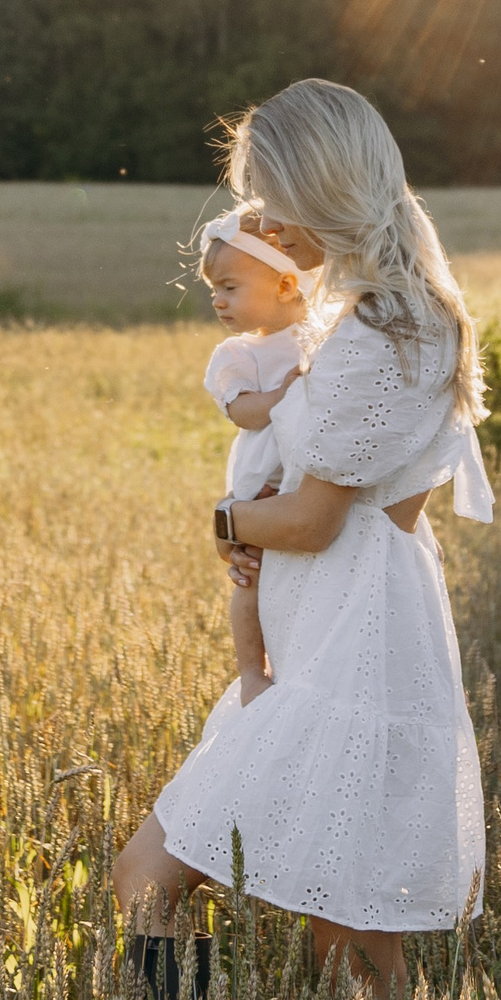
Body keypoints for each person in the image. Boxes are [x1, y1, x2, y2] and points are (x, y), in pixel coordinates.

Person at [112, 78, 495, 1000]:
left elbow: (317, 520)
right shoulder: (391, 308)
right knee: (347, 942)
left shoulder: (379, 329)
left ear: (325, 187)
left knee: (183, 888)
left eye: (274, 199)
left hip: (349, 648)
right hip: (340, 633)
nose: (266, 224)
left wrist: (228, 521)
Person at [195, 206, 314, 707]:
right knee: (251, 577)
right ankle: (251, 671)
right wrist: (283, 396)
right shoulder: (238, 354)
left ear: (285, 285)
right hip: (262, 482)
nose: (218, 301)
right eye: (214, 291)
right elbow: (242, 412)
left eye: (230, 287)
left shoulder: (320, 337)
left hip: (308, 479)